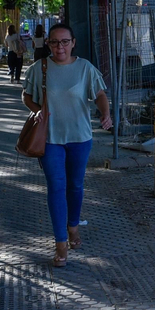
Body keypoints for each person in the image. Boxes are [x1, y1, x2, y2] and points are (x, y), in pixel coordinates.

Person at [22, 22, 111, 266]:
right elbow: (26, 95)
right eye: (54, 42)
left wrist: (105, 113)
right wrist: (38, 110)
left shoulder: (85, 68)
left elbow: (100, 94)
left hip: (80, 138)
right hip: (49, 139)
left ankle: (73, 227)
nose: (59, 47)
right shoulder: (39, 68)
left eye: (64, 42)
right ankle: (60, 243)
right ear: (48, 43)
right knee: (56, 187)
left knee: (75, 186)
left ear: (73, 43)